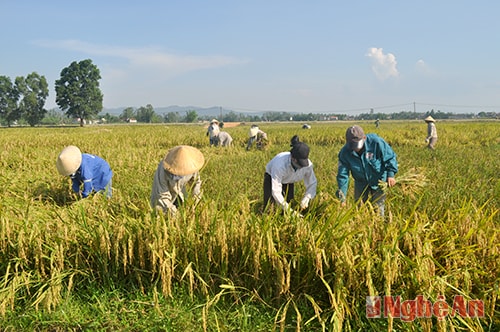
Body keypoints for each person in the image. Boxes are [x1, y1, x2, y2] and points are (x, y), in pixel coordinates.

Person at [335, 125, 398, 217]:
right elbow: (342, 175)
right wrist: (342, 198)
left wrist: (391, 175)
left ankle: (378, 226)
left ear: (364, 138)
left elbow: (390, 157)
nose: (355, 148)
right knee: (359, 207)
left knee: (378, 208)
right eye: (352, 145)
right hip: (360, 182)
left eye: (357, 144)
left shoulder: (376, 142)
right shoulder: (345, 153)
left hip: (379, 181)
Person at [264, 135, 317, 214]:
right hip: (272, 178)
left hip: (289, 180)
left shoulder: (307, 165)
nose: (300, 167)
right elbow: (276, 191)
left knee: (289, 203)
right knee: (270, 207)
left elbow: (312, 183)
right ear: (293, 158)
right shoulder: (280, 165)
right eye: (299, 163)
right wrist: (290, 212)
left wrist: (307, 198)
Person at [150, 145, 205, 215]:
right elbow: (162, 195)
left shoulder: (191, 165)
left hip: (180, 191)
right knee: (161, 213)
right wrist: (174, 212)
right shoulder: (163, 171)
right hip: (163, 195)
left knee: (181, 206)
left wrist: (195, 201)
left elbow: (196, 183)